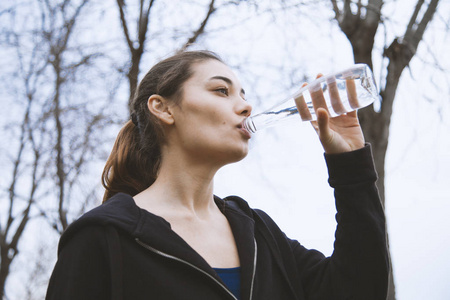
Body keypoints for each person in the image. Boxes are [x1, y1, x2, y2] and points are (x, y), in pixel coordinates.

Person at [46, 50, 389, 300]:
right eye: (221, 91)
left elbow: (360, 289)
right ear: (163, 108)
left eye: (243, 94)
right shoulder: (103, 237)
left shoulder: (260, 235)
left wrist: (350, 164)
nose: (245, 106)